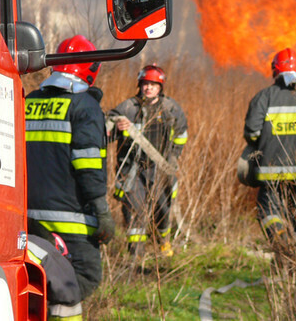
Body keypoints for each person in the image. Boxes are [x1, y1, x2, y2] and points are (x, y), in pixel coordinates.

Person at [25, 34, 115, 305]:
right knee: (80, 280)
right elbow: (88, 165)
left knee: (36, 282)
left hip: (27, 219)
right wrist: (102, 211)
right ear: (91, 69)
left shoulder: (28, 101)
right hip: (72, 222)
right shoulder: (85, 107)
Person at [108, 64, 188, 258]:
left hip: (160, 168)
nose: (149, 88)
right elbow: (105, 129)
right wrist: (116, 126)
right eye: (145, 84)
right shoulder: (128, 107)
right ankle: (135, 256)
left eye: (153, 84)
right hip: (133, 169)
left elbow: (181, 135)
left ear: (161, 87)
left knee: (163, 207)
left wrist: (173, 157)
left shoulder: (170, 109)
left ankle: (163, 241)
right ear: (140, 85)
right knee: (134, 209)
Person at [243, 48, 296, 251]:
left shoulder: (264, 97)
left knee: (268, 208)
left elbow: (252, 132)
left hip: (272, 169)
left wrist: (263, 144)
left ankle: (280, 240)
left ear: (275, 70)